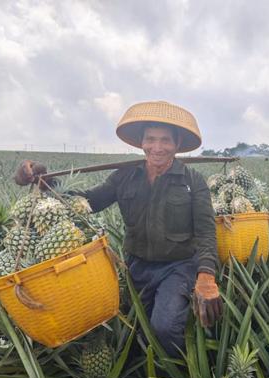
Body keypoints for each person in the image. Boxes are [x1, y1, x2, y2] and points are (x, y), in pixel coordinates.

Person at [14, 101, 223, 357]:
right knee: (134, 327)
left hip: (177, 267)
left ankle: (177, 371)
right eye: (151, 139)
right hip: (137, 266)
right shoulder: (125, 176)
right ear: (142, 142)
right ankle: (143, 368)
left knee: (165, 327)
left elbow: (206, 231)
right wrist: (46, 182)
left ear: (177, 145)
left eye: (165, 140)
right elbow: (89, 202)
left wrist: (206, 276)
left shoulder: (193, 181)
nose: (157, 147)